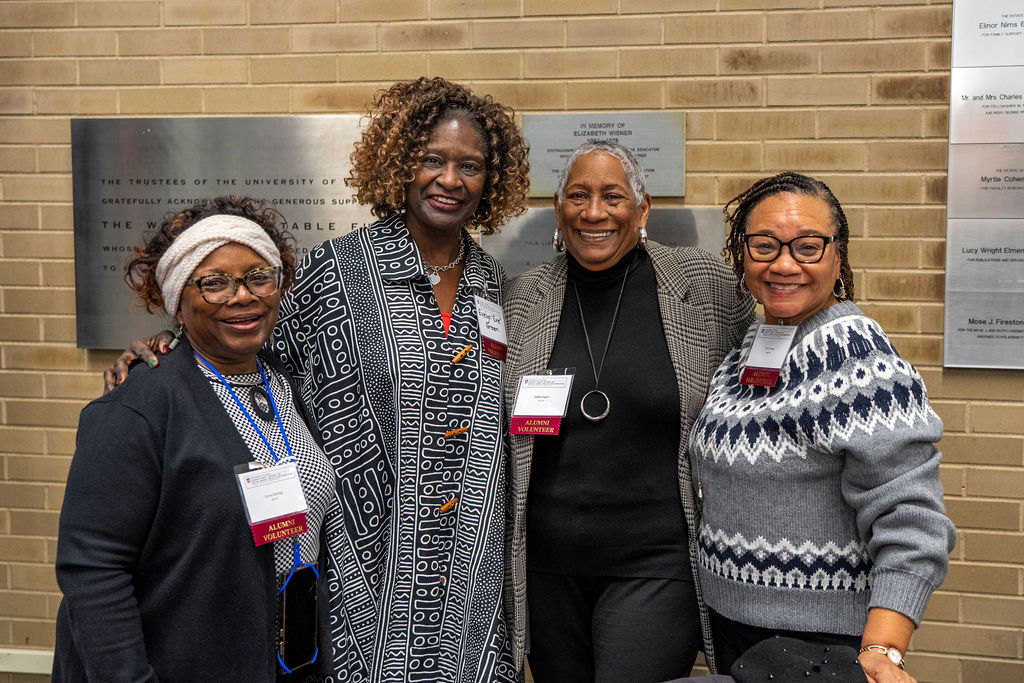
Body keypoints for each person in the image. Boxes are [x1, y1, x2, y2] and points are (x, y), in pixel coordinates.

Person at [103, 77, 530, 682]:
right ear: (400, 162)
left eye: (471, 165)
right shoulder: (336, 271)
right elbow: (244, 343)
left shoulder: (494, 283)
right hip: (369, 580)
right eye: (431, 159)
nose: (450, 179)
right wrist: (164, 347)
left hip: (472, 577)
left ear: (493, 179)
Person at [54, 197, 337, 681]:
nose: (243, 295)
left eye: (258, 276)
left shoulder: (282, 383)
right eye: (214, 283)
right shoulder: (137, 408)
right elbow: (94, 572)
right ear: (177, 301)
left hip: (283, 660)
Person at [687, 172, 956, 683]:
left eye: (808, 247)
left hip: (818, 645)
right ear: (741, 252)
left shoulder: (857, 355)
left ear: (838, 255)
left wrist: (884, 649)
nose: (785, 263)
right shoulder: (757, 342)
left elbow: (912, 518)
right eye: (764, 245)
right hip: (731, 627)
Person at [502, 140, 755, 682]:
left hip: (655, 562)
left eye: (612, 196)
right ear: (557, 208)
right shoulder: (521, 299)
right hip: (546, 570)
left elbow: (757, 395)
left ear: (642, 210)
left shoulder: (705, 289)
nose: (594, 212)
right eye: (578, 195)